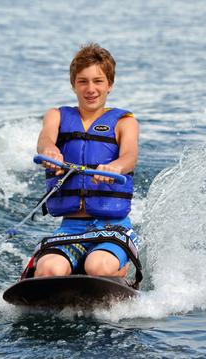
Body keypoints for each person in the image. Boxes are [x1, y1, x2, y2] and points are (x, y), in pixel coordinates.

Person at [34, 43, 139, 278]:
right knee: (49, 270)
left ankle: (120, 267)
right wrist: (49, 150)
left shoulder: (125, 121)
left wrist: (115, 166)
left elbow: (130, 156)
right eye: (83, 81)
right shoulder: (57, 116)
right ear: (73, 85)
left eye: (98, 81)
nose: (90, 88)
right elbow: (45, 140)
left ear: (109, 85)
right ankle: (72, 266)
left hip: (113, 227)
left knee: (97, 266)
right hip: (71, 227)